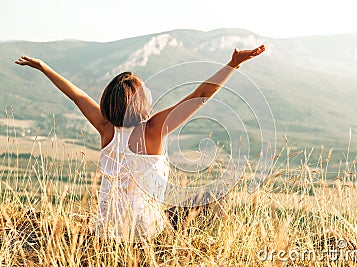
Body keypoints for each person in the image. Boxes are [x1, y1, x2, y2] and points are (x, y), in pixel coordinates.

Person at [15, 44, 266, 242]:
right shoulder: (154, 130)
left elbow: (77, 95)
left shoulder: (105, 128)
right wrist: (233, 64)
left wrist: (44, 68)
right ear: (140, 103)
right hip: (145, 232)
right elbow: (199, 96)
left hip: (106, 230)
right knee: (213, 198)